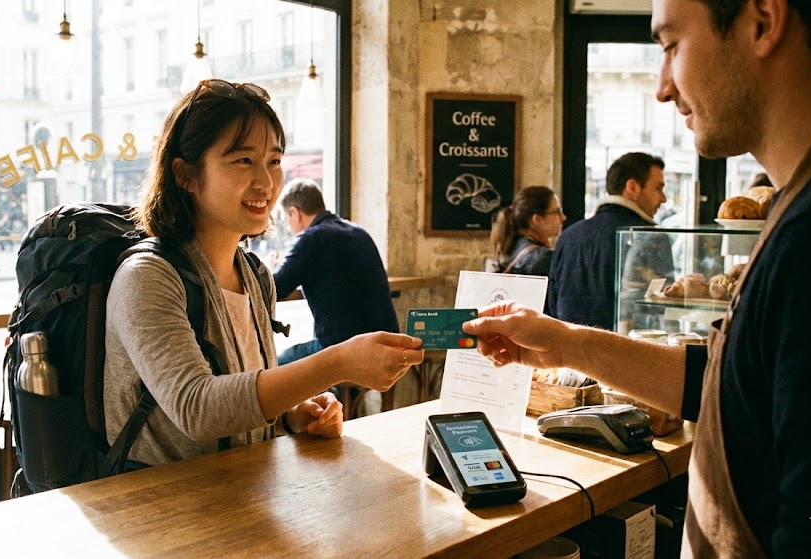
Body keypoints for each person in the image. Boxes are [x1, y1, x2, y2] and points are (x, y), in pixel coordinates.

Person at [464, 1, 811, 556]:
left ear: (763, 22)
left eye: (671, 45)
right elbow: (737, 387)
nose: (662, 87)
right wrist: (562, 342)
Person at [104, 79, 424, 467]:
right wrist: (336, 363)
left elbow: (241, 400)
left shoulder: (254, 275)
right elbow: (197, 408)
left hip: (243, 490)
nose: (267, 182)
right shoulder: (148, 276)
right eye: (243, 160)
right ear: (185, 174)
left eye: (273, 161)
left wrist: (293, 414)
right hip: (162, 509)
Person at [272, 178, 399, 366]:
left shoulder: (311, 238)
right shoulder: (358, 232)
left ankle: (334, 391)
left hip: (345, 350)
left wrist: (272, 268)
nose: (289, 228)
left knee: (271, 369)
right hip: (387, 342)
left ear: (295, 213)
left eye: (287, 219)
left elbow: (277, 287)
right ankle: (340, 394)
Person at [548, 152, 674, 330]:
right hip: (624, 351)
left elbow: (553, 303)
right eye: (658, 188)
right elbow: (661, 309)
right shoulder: (651, 237)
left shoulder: (569, 236)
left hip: (569, 350)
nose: (664, 198)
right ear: (632, 187)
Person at [488, 186, 566, 277]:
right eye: (558, 211)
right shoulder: (543, 259)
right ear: (537, 219)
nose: (563, 217)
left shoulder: (509, 246)